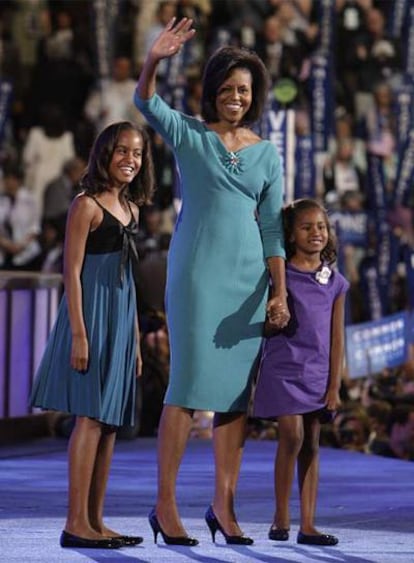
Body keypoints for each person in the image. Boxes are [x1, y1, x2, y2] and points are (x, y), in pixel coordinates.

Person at [134, 17, 289, 546]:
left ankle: (223, 507)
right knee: (186, 388)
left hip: (249, 282)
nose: (236, 97)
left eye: (244, 89)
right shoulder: (190, 134)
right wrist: (155, 59)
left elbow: (272, 227)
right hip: (198, 275)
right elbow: (146, 103)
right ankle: (164, 504)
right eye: (226, 88)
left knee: (233, 399)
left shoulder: (268, 153)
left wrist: (279, 290)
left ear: (255, 95)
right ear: (212, 92)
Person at [30, 121, 155, 549]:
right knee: (90, 419)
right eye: (122, 151)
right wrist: (80, 334)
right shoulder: (85, 206)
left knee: (110, 424)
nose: (130, 160)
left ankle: (96, 521)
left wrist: (135, 339)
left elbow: (129, 281)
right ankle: (74, 523)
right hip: (90, 318)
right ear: (104, 154)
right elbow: (72, 273)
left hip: (121, 321)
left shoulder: (134, 211)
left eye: (137, 154)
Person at [253, 198, 349, 546]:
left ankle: (308, 524)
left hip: (318, 374)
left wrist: (334, 387)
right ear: (291, 235)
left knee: (311, 443)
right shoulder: (278, 275)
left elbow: (338, 338)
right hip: (283, 369)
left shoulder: (336, 281)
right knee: (291, 436)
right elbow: (263, 323)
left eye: (321, 227)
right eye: (307, 227)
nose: (316, 233)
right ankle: (281, 514)